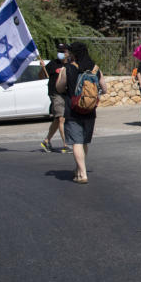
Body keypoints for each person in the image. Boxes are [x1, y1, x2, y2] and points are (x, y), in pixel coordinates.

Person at [56, 42, 109, 184]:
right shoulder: (95, 69)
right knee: (84, 141)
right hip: (90, 111)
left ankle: (82, 174)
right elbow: (104, 89)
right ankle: (79, 169)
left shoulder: (67, 68)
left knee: (76, 142)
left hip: (73, 110)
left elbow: (59, 88)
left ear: (73, 54)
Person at [39, 43, 70, 153]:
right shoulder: (53, 64)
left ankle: (46, 141)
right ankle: (66, 144)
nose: (61, 53)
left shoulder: (71, 64)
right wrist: (42, 68)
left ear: (68, 53)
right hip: (55, 93)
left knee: (57, 120)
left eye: (63, 51)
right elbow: (42, 76)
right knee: (61, 118)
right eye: (59, 51)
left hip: (66, 94)